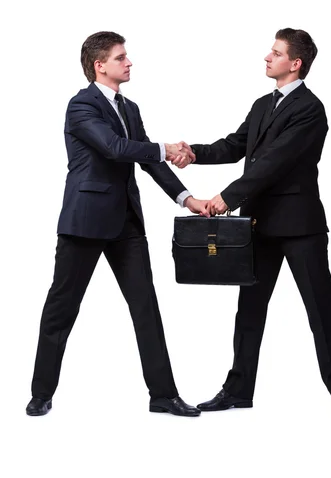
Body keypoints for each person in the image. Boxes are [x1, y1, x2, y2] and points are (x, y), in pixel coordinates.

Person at [173, 28, 331, 417]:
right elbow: (237, 145)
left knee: (321, 309)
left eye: (275, 53)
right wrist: (195, 154)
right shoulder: (262, 104)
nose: (267, 57)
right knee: (250, 310)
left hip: (299, 227)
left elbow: (275, 162)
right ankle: (238, 391)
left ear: (296, 63)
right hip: (258, 225)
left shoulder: (310, 108)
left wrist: (227, 197)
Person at [26, 31, 206, 417]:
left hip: (127, 222)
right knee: (62, 308)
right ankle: (41, 392)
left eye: (127, 57)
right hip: (85, 222)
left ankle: (163, 395)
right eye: (121, 57)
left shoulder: (131, 108)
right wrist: (164, 147)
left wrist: (187, 199)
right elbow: (115, 148)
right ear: (99, 65)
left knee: (146, 307)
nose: (128, 63)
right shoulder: (81, 105)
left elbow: (148, 161)